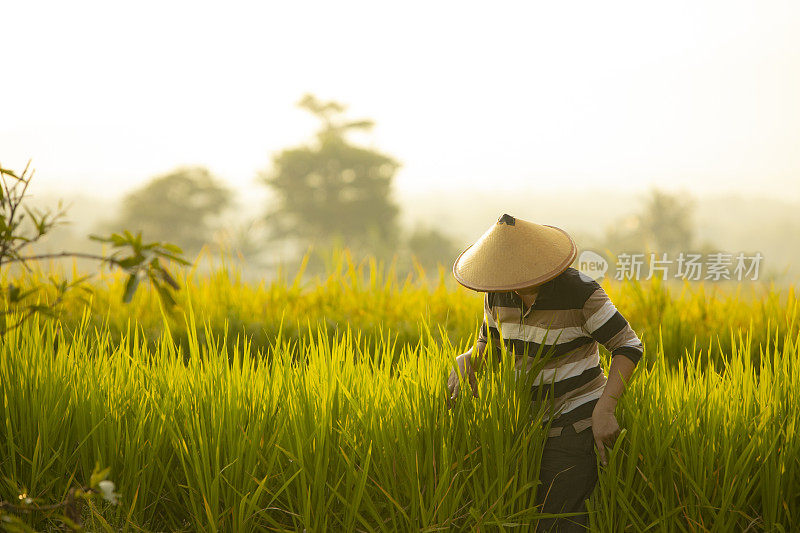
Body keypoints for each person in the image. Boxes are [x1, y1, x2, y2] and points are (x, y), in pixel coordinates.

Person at [447, 213, 644, 532]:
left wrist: (605, 409)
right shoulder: (497, 293)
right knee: (522, 514)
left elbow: (628, 346)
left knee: (557, 522)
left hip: (574, 421)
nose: (511, 281)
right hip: (522, 428)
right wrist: (468, 357)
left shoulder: (580, 291)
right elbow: (491, 343)